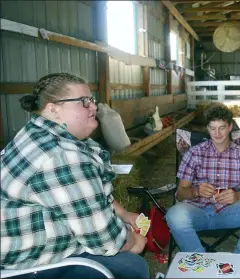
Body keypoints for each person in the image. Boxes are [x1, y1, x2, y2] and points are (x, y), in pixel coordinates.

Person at [0, 73, 149, 278]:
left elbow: (89, 193)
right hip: (28, 261)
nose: (94, 107)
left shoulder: (39, 131)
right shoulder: (63, 155)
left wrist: (122, 213)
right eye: (83, 102)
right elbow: (106, 240)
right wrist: (133, 241)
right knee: (135, 267)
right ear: (53, 109)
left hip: (25, 241)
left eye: (91, 100)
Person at [165, 103, 240, 254]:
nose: (217, 133)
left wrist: (238, 196)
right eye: (212, 128)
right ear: (207, 129)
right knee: (174, 215)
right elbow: (180, 193)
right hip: (198, 212)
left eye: (221, 127)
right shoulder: (194, 153)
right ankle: (200, 263)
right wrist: (196, 191)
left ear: (230, 127)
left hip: (230, 213)